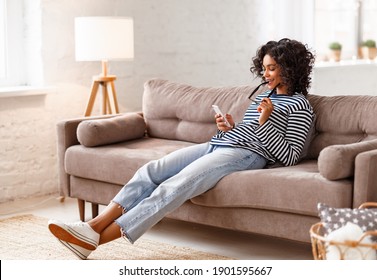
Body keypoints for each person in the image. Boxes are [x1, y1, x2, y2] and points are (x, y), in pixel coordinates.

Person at [48, 38, 315, 259]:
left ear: (288, 69)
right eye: (264, 68)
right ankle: (91, 227)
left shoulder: (301, 106)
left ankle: (94, 241)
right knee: (151, 171)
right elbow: (249, 131)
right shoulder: (263, 96)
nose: (264, 74)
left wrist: (265, 122)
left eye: (270, 69)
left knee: (175, 185)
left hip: (246, 156)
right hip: (220, 143)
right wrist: (229, 127)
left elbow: (290, 156)